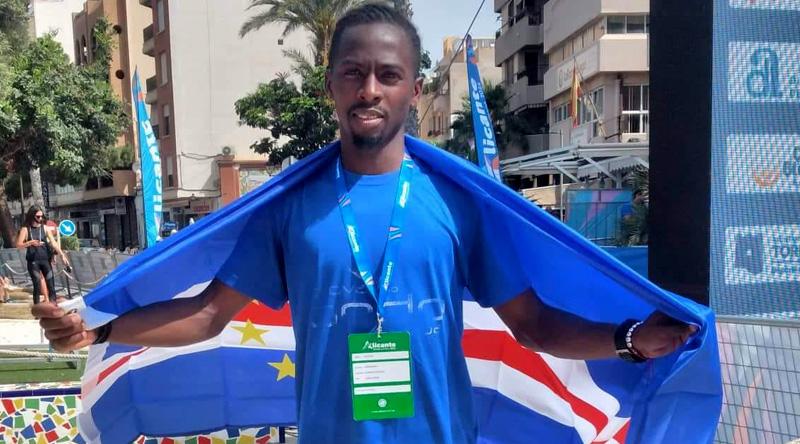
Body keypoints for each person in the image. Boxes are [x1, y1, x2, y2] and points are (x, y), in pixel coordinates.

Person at [33, 5, 695, 443]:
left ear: (414, 89)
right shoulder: (290, 207)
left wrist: (630, 338)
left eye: (388, 74)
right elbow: (207, 315)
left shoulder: (458, 203)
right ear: (331, 85)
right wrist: (102, 327)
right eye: (353, 73)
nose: (369, 89)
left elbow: (535, 325)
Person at [17, 206, 70, 304]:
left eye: (42, 216)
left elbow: (54, 243)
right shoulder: (25, 229)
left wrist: (62, 255)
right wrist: (30, 243)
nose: (40, 218)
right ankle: (37, 309)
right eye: (38, 216)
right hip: (33, 262)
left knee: (51, 285)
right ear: (32, 216)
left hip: (45, 260)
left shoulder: (45, 228)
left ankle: (53, 307)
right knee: (37, 285)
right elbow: (19, 245)